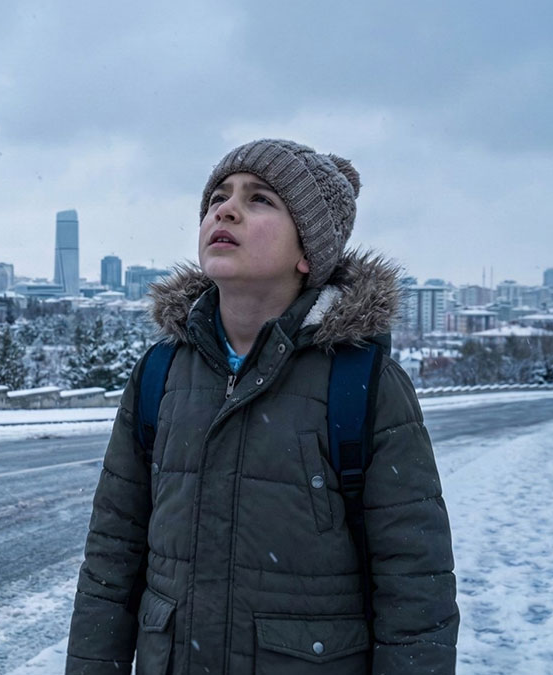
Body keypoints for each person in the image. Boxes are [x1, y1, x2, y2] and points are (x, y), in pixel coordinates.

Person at [66, 139, 459, 674]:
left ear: (308, 253)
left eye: (260, 199)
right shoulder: (160, 374)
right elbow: (110, 564)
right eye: (218, 198)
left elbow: (415, 589)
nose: (226, 210)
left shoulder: (361, 385)